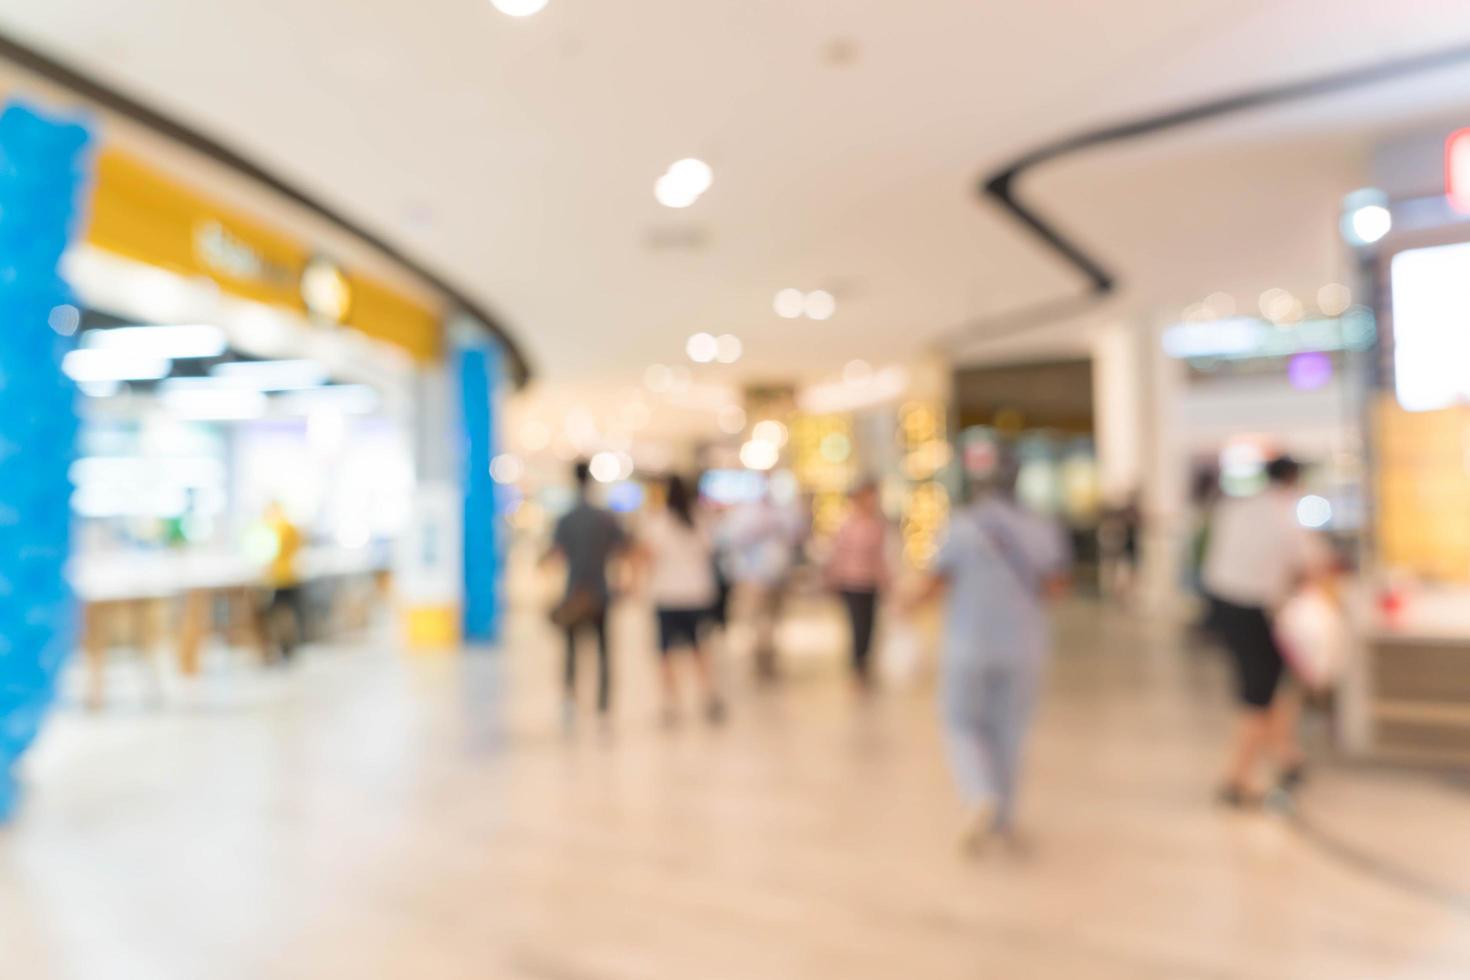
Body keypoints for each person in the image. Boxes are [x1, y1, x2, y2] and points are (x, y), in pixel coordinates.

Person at [905, 458, 1069, 854]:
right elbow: (1057, 587)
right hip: (1023, 645)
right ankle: (1003, 817)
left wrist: (904, 606)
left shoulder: (961, 527)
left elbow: (935, 583)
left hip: (968, 643)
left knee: (960, 723)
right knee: (1009, 731)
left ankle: (979, 793)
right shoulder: (1042, 528)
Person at [1202, 455, 1319, 806]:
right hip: (1253, 608)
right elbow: (1308, 563)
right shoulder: (1284, 513)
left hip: (1224, 602)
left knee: (1277, 682)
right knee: (1260, 692)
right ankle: (1236, 779)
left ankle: (1287, 757)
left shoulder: (1238, 507)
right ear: (1294, 479)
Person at [634, 475, 725, 725]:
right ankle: (709, 695)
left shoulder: (659, 522)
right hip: (696, 594)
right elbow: (712, 552)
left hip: (667, 596)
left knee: (665, 653)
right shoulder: (700, 520)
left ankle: (670, 703)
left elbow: (647, 557)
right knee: (699, 648)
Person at [545, 461, 627, 727]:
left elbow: (554, 556)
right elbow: (623, 549)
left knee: (571, 650)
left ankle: (570, 697)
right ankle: (603, 701)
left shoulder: (566, 519)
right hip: (600, 591)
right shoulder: (605, 517)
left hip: (574, 592)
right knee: (603, 649)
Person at [719, 489, 798, 681]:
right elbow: (728, 539)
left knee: (773, 620)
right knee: (756, 620)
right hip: (753, 576)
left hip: (777, 577)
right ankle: (758, 658)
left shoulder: (782, 512)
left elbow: (795, 534)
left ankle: (769, 657)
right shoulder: (744, 515)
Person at [825, 480, 892, 688]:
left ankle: (865, 663)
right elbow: (838, 554)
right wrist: (833, 578)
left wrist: (887, 580)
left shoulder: (877, 525)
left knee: (870, 625)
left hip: (870, 583)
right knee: (856, 625)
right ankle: (857, 667)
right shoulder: (847, 525)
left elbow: (881, 557)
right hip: (851, 583)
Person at [262, 500, 305, 662]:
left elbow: (272, 553)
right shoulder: (290, 527)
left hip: (280, 578)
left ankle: (285, 647)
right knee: (287, 612)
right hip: (291, 575)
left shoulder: (278, 528)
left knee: (281, 612)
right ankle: (288, 648)